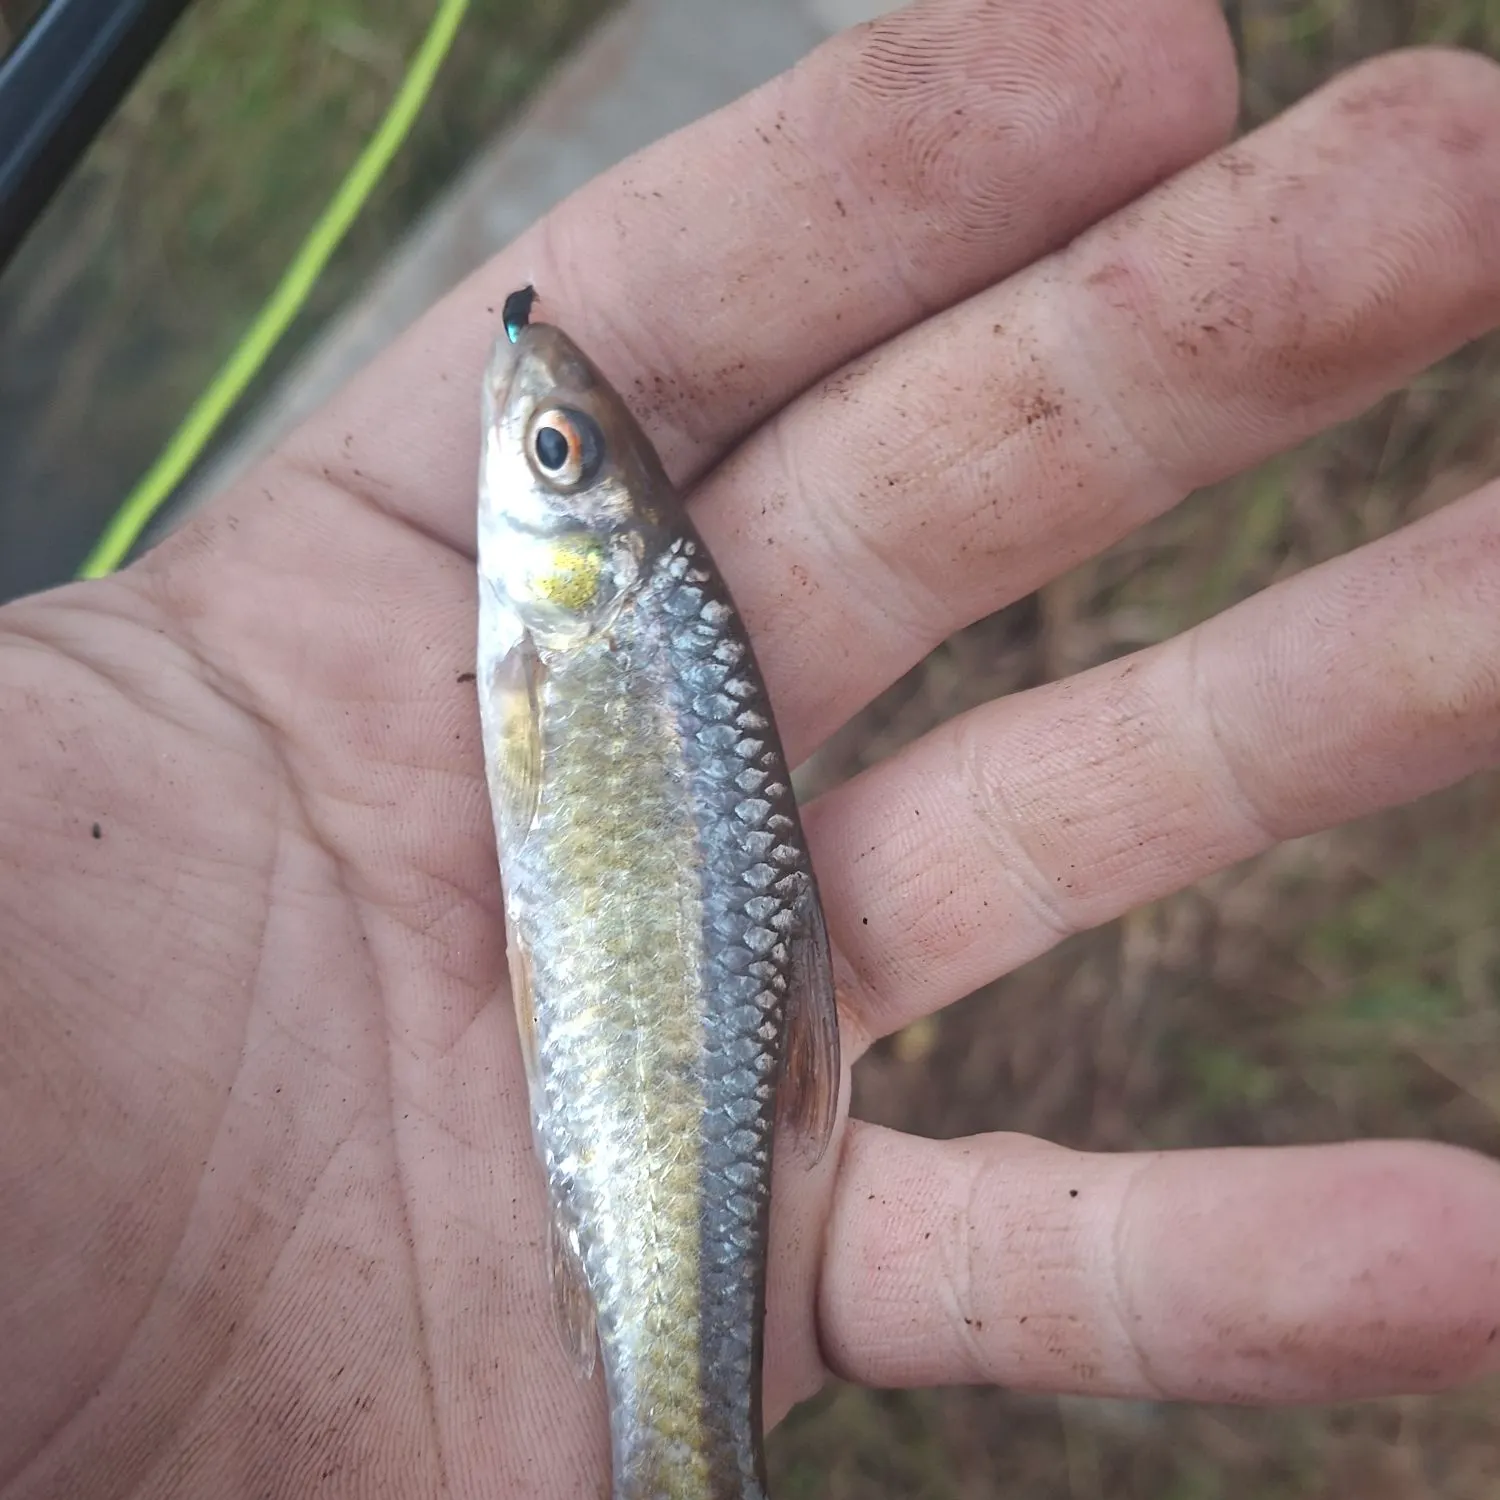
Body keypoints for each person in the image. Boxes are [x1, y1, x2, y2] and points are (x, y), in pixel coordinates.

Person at [4, 0, 1500, 1493]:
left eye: (553, 455)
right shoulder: (577, 635)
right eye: (557, 452)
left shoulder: (577, 637)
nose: (529, 429)